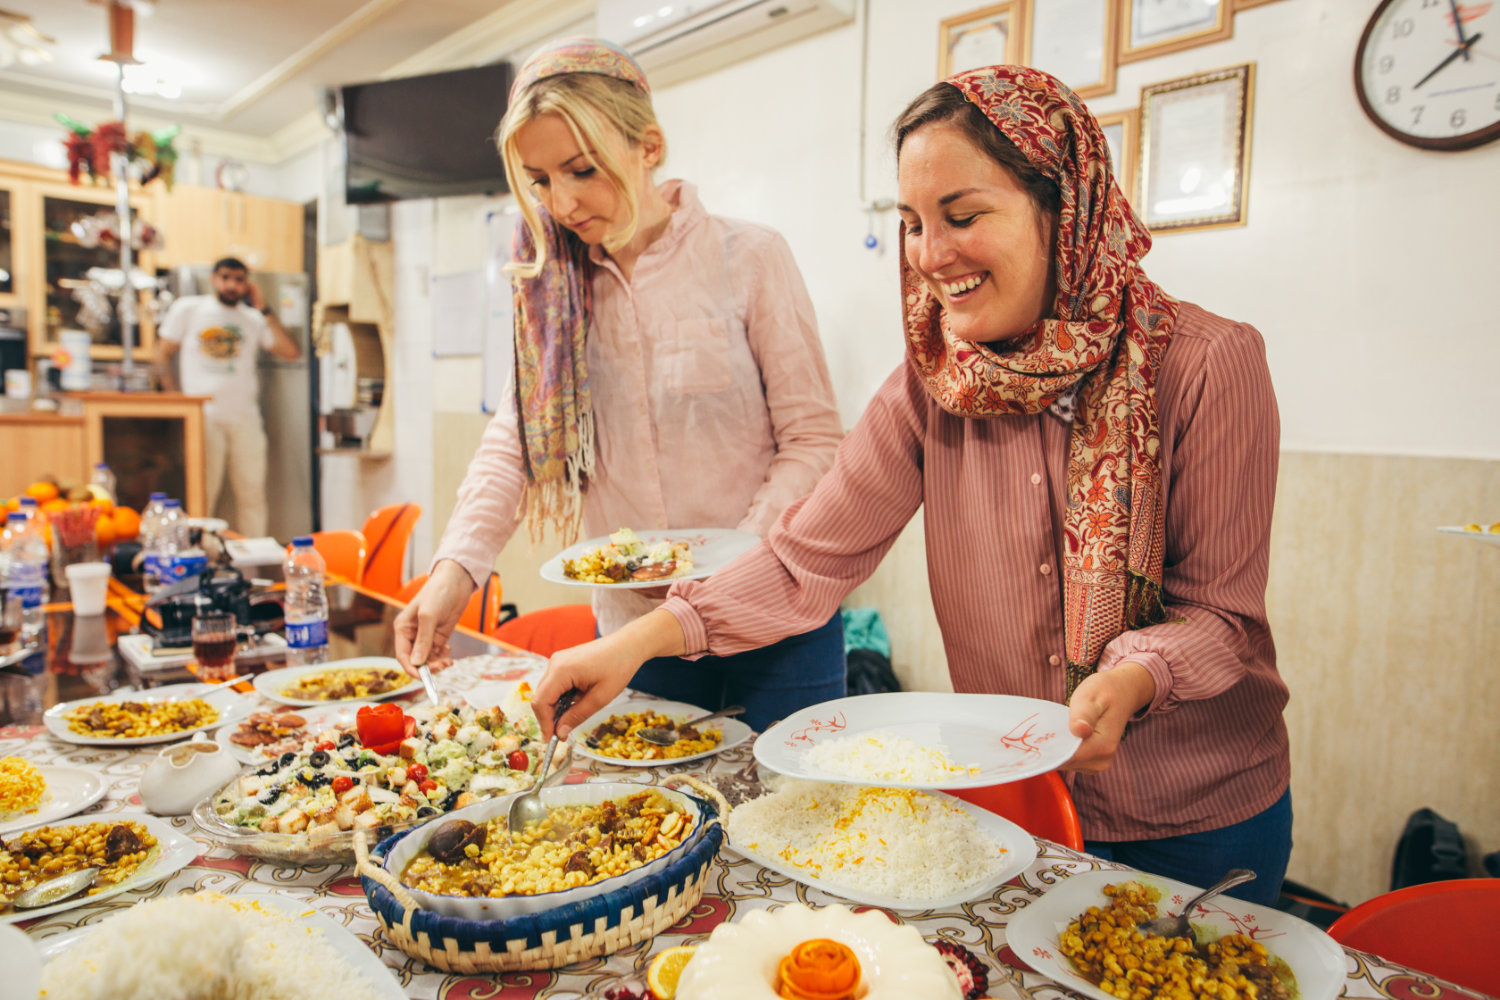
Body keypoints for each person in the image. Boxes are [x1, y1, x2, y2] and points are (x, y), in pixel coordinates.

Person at [535, 65, 1292, 905]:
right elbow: (803, 562)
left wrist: (1135, 674)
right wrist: (633, 642)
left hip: (1195, 816)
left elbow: (1220, 616)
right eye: (911, 223)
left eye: (962, 216)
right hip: (1020, 795)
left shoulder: (1207, 365)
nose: (931, 256)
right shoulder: (930, 385)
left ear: (1063, 208)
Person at [395, 37, 846, 733]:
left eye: (581, 170)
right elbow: (517, 440)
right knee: (659, 823)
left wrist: (733, 568)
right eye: (540, 180)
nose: (563, 202)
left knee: (795, 827)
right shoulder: (551, 289)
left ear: (649, 146)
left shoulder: (749, 257)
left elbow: (812, 441)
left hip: (777, 616)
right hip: (639, 634)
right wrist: (456, 570)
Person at [155, 256, 300, 538]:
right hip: (205, 418)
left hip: (246, 418)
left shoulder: (253, 319)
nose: (232, 285)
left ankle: (253, 566)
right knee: (203, 494)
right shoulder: (190, 309)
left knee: (253, 494)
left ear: (247, 284)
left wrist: (265, 308)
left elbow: (290, 352)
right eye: (225, 277)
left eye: (239, 279)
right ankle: (202, 561)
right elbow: (162, 354)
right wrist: (174, 401)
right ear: (213, 278)